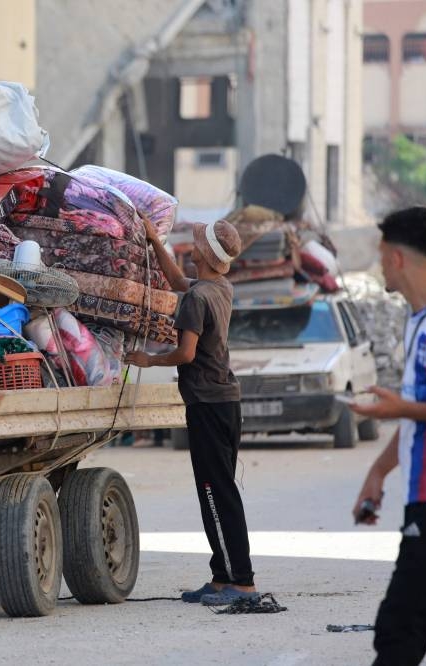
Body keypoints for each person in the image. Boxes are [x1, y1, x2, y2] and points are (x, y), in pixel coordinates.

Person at [350, 207, 426, 665]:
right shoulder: (422, 319)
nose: (379, 266)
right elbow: (423, 412)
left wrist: (401, 408)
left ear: (397, 258)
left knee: (399, 629)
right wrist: (377, 472)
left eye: (381, 256)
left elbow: (420, 410)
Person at [126, 218, 258, 606]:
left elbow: (185, 353)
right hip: (223, 404)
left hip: (209, 405)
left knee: (217, 494)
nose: (193, 246)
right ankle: (222, 576)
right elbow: (179, 284)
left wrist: (147, 360)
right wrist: (154, 242)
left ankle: (242, 582)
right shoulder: (218, 287)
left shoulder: (200, 298)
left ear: (202, 254)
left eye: (197, 244)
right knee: (215, 492)